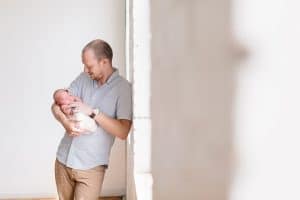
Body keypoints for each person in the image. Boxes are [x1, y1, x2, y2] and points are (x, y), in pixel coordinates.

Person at [51, 39, 132, 200]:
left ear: (104, 62)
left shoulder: (123, 89)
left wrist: (92, 112)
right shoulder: (83, 78)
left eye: (89, 66)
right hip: (63, 159)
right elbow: (56, 105)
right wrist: (65, 122)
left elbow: (123, 131)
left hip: (91, 168)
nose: (85, 70)